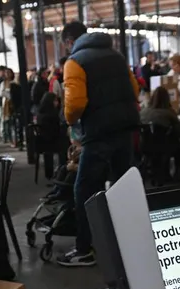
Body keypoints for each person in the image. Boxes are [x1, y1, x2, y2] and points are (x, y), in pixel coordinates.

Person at [58, 21, 140, 267]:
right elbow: (134, 89)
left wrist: (70, 120)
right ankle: (127, 242)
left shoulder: (75, 62)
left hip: (98, 133)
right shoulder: (117, 56)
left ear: (70, 41)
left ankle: (84, 249)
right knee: (122, 186)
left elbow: (75, 104)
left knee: (84, 189)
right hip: (124, 130)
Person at [37, 92, 65, 179]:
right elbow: (55, 130)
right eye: (55, 101)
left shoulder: (40, 113)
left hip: (42, 142)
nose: (57, 103)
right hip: (51, 142)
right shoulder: (52, 115)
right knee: (65, 144)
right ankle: (63, 170)